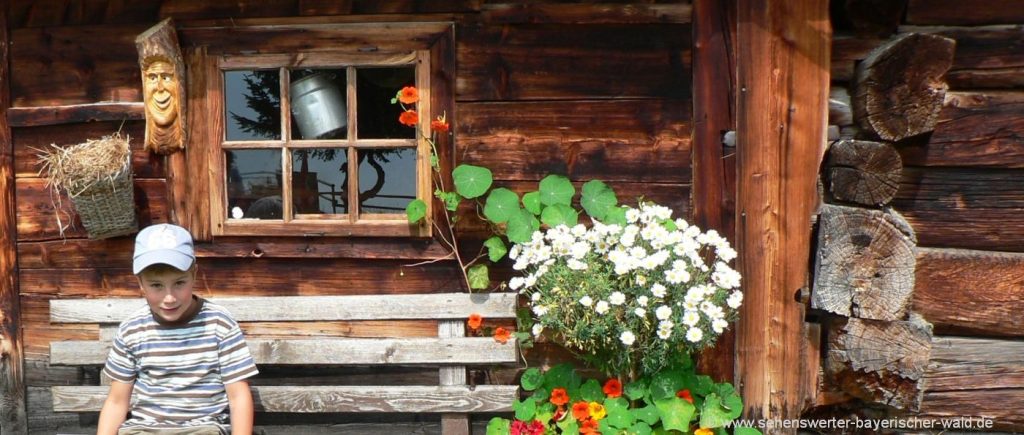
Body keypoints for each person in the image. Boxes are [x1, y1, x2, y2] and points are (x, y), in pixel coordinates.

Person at [96, 223, 258, 435]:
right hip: (145, 430)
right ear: (140, 284)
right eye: (156, 286)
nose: (169, 297)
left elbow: (238, 397)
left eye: (179, 283)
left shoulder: (219, 323)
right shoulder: (132, 330)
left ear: (194, 275)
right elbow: (117, 402)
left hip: (203, 428)